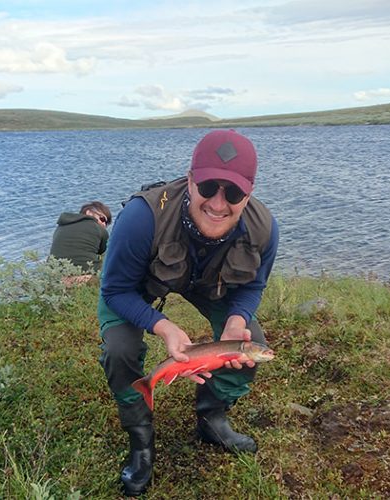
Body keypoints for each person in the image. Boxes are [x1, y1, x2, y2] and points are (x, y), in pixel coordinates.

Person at [98, 129, 279, 496]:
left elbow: (252, 287)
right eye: (209, 185)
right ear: (191, 179)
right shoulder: (142, 217)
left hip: (211, 285)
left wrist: (236, 320)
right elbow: (115, 290)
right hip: (139, 287)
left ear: (250, 192)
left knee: (252, 344)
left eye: (234, 192)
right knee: (120, 349)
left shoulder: (264, 229)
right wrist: (161, 325)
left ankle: (211, 418)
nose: (218, 202)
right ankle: (141, 440)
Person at [50, 201, 112, 273]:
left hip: (54, 274)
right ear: (89, 212)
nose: (104, 224)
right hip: (86, 274)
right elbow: (104, 252)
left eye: (106, 224)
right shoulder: (98, 228)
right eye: (102, 219)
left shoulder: (60, 227)